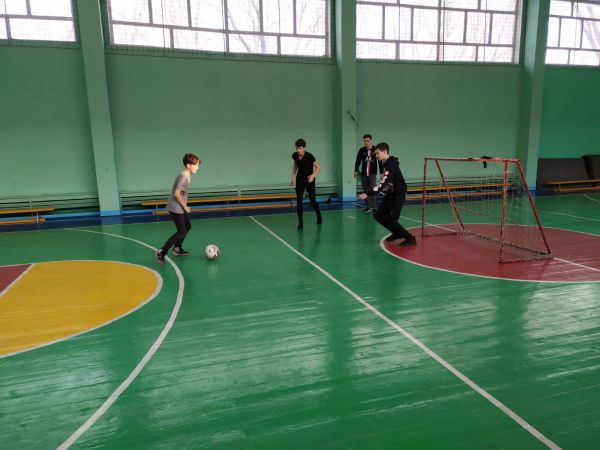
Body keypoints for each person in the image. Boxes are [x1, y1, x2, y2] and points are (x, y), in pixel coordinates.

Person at [358, 143, 416, 247]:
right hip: (391, 194)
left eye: (377, 153)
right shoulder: (385, 163)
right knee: (378, 215)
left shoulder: (391, 163)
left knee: (391, 220)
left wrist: (368, 193)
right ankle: (397, 233)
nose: (376, 156)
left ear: (384, 152)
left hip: (398, 194)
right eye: (375, 154)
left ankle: (410, 239)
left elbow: (383, 182)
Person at [155, 153, 201, 264]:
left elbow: (182, 193)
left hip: (180, 207)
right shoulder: (183, 175)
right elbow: (176, 193)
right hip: (176, 207)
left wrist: (184, 206)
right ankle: (162, 252)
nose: (198, 168)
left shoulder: (188, 175)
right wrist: (184, 206)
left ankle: (177, 248)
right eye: (196, 165)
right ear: (188, 165)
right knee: (181, 231)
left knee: (187, 226)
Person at [290, 138, 322, 230]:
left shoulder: (309, 156)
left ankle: (319, 216)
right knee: (299, 202)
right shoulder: (295, 155)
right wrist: (292, 177)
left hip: (309, 180)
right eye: (297, 148)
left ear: (304, 148)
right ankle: (301, 223)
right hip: (300, 180)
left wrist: (312, 176)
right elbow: (295, 166)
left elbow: (318, 167)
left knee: (312, 202)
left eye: (300, 148)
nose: (298, 150)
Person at [354, 134, 382, 212]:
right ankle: (368, 206)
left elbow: (380, 162)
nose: (366, 142)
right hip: (363, 174)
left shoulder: (375, 150)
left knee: (373, 189)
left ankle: (374, 206)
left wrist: (381, 172)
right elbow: (358, 161)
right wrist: (356, 170)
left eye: (367, 141)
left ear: (371, 141)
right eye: (365, 141)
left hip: (372, 174)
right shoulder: (362, 150)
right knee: (365, 190)